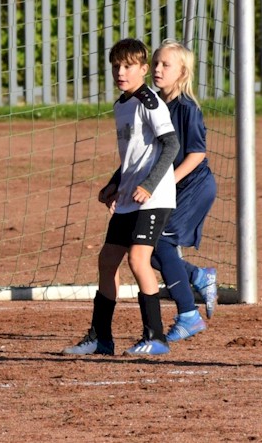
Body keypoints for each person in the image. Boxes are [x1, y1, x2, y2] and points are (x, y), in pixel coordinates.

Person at [62, 38, 180, 356]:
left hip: (154, 198)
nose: (120, 71)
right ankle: (101, 339)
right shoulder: (121, 105)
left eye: (128, 66)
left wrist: (150, 185)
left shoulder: (148, 101)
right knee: (107, 261)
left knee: (138, 259)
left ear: (143, 69)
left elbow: (171, 145)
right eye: (116, 66)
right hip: (130, 197)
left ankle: (155, 338)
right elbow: (132, 157)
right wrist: (114, 184)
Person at [149, 39, 218, 343]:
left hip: (193, 186)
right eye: (155, 63)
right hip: (170, 186)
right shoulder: (153, 106)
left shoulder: (187, 108)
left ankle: (189, 315)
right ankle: (198, 277)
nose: (157, 69)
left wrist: (166, 182)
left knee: (160, 242)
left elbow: (196, 154)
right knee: (145, 250)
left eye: (166, 64)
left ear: (182, 72)